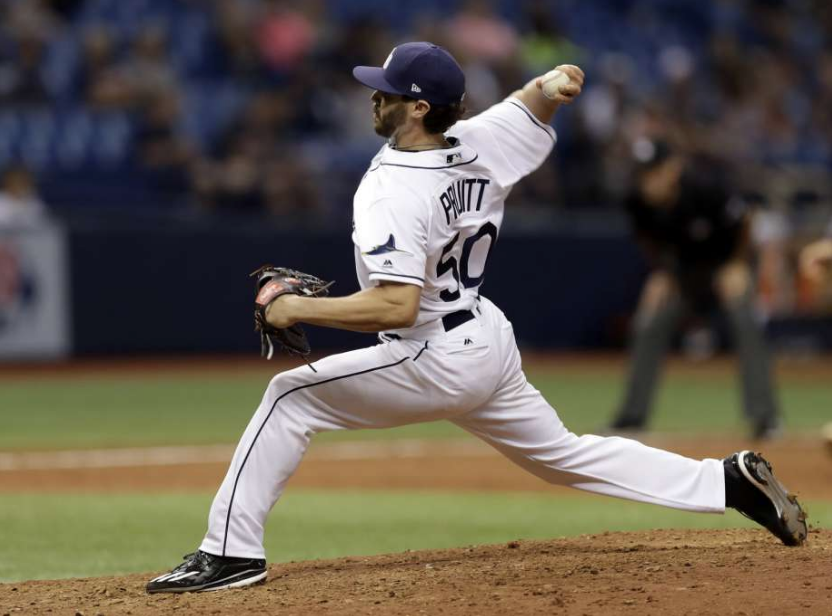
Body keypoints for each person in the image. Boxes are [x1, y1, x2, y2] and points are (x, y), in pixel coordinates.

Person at [147, 42, 807, 594]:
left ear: (419, 107)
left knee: (289, 396)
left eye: (387, 91)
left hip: (431, 348)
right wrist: (550, 84)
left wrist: (296, 307)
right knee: (564, 457)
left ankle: (230, 552)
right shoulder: (474, 141)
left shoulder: (390, 186)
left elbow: (395, 306)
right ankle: (722, 481)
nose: (373, 98)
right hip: (485, 338)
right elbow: (528, 107)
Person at [607, 140, 781, 440]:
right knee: (649, 322)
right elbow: (649, 242)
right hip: (684, 273)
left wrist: (737, 264)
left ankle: (765, 419)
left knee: (746, 321)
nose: (647, 181)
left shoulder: (704, 187)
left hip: (727, 264)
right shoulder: (636, 200)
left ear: (672, 169)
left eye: (654, 172)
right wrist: (661, 273)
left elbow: (745, 219)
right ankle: (632, 417)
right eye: (642, 174)